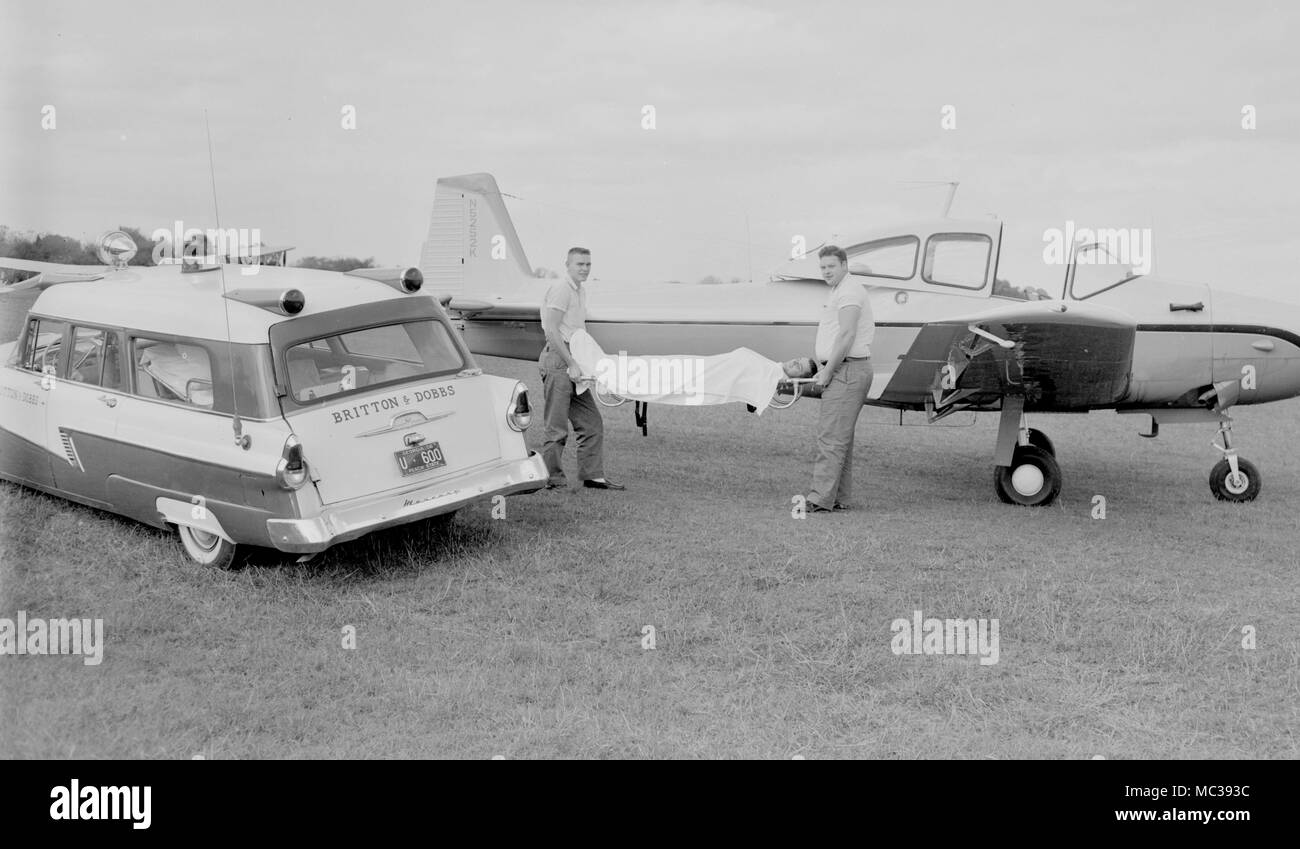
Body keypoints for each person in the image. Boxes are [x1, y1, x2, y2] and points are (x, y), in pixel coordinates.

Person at [538, 247, 624, 491]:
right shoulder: (562, 289)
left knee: (591, 422)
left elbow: (577, 333)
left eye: (588, 264)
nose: (585, 268)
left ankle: (592, 476)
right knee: (556, 427)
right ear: (567, 265)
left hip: (573, 359)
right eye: (579, 264)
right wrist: (571, 363)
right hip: (559, 360)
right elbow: (551, 330)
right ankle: (552, 479)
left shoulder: (580, 290)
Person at [806, 245, 874, 512]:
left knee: (831, 438)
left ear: (844, 265)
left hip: (847, 370)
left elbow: (846, 334)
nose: (826, 271)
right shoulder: (840, 290)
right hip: (846, 369)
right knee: (840, 437)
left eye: (831, 266)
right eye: (823, 267)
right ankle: (838, 498)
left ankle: (819, 499)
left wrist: (828, 371)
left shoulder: (849, 291)